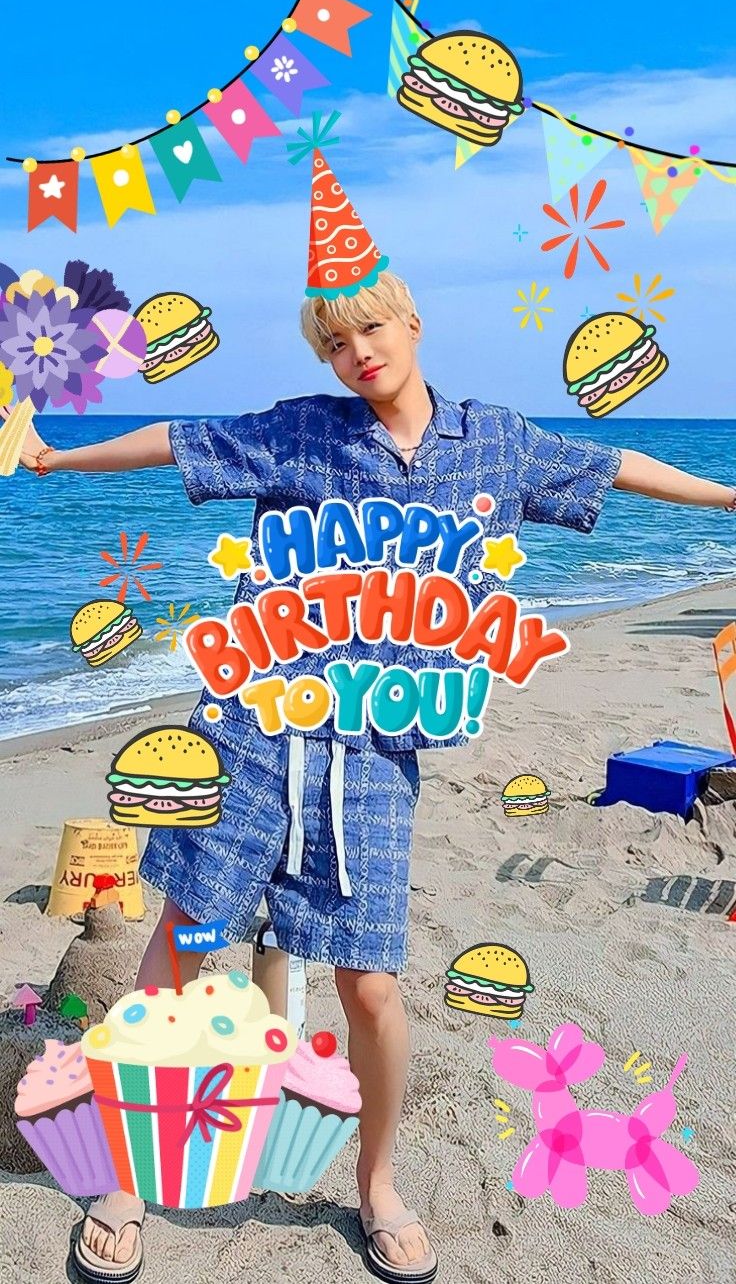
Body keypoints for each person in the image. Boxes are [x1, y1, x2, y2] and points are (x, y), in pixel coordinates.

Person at [6, 269, 736, 1283]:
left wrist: (730, 491)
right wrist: (50, 459)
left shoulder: (496, 441)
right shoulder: (299, 431)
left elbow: (613, 464)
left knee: (372, 984)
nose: (359, 355)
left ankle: (378, 1183)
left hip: (375, 752)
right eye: (338, 344)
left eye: (371, 331)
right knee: (182, 948)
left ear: (411, 324)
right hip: (253, 725)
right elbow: (175, 439)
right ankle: (126, 1178)